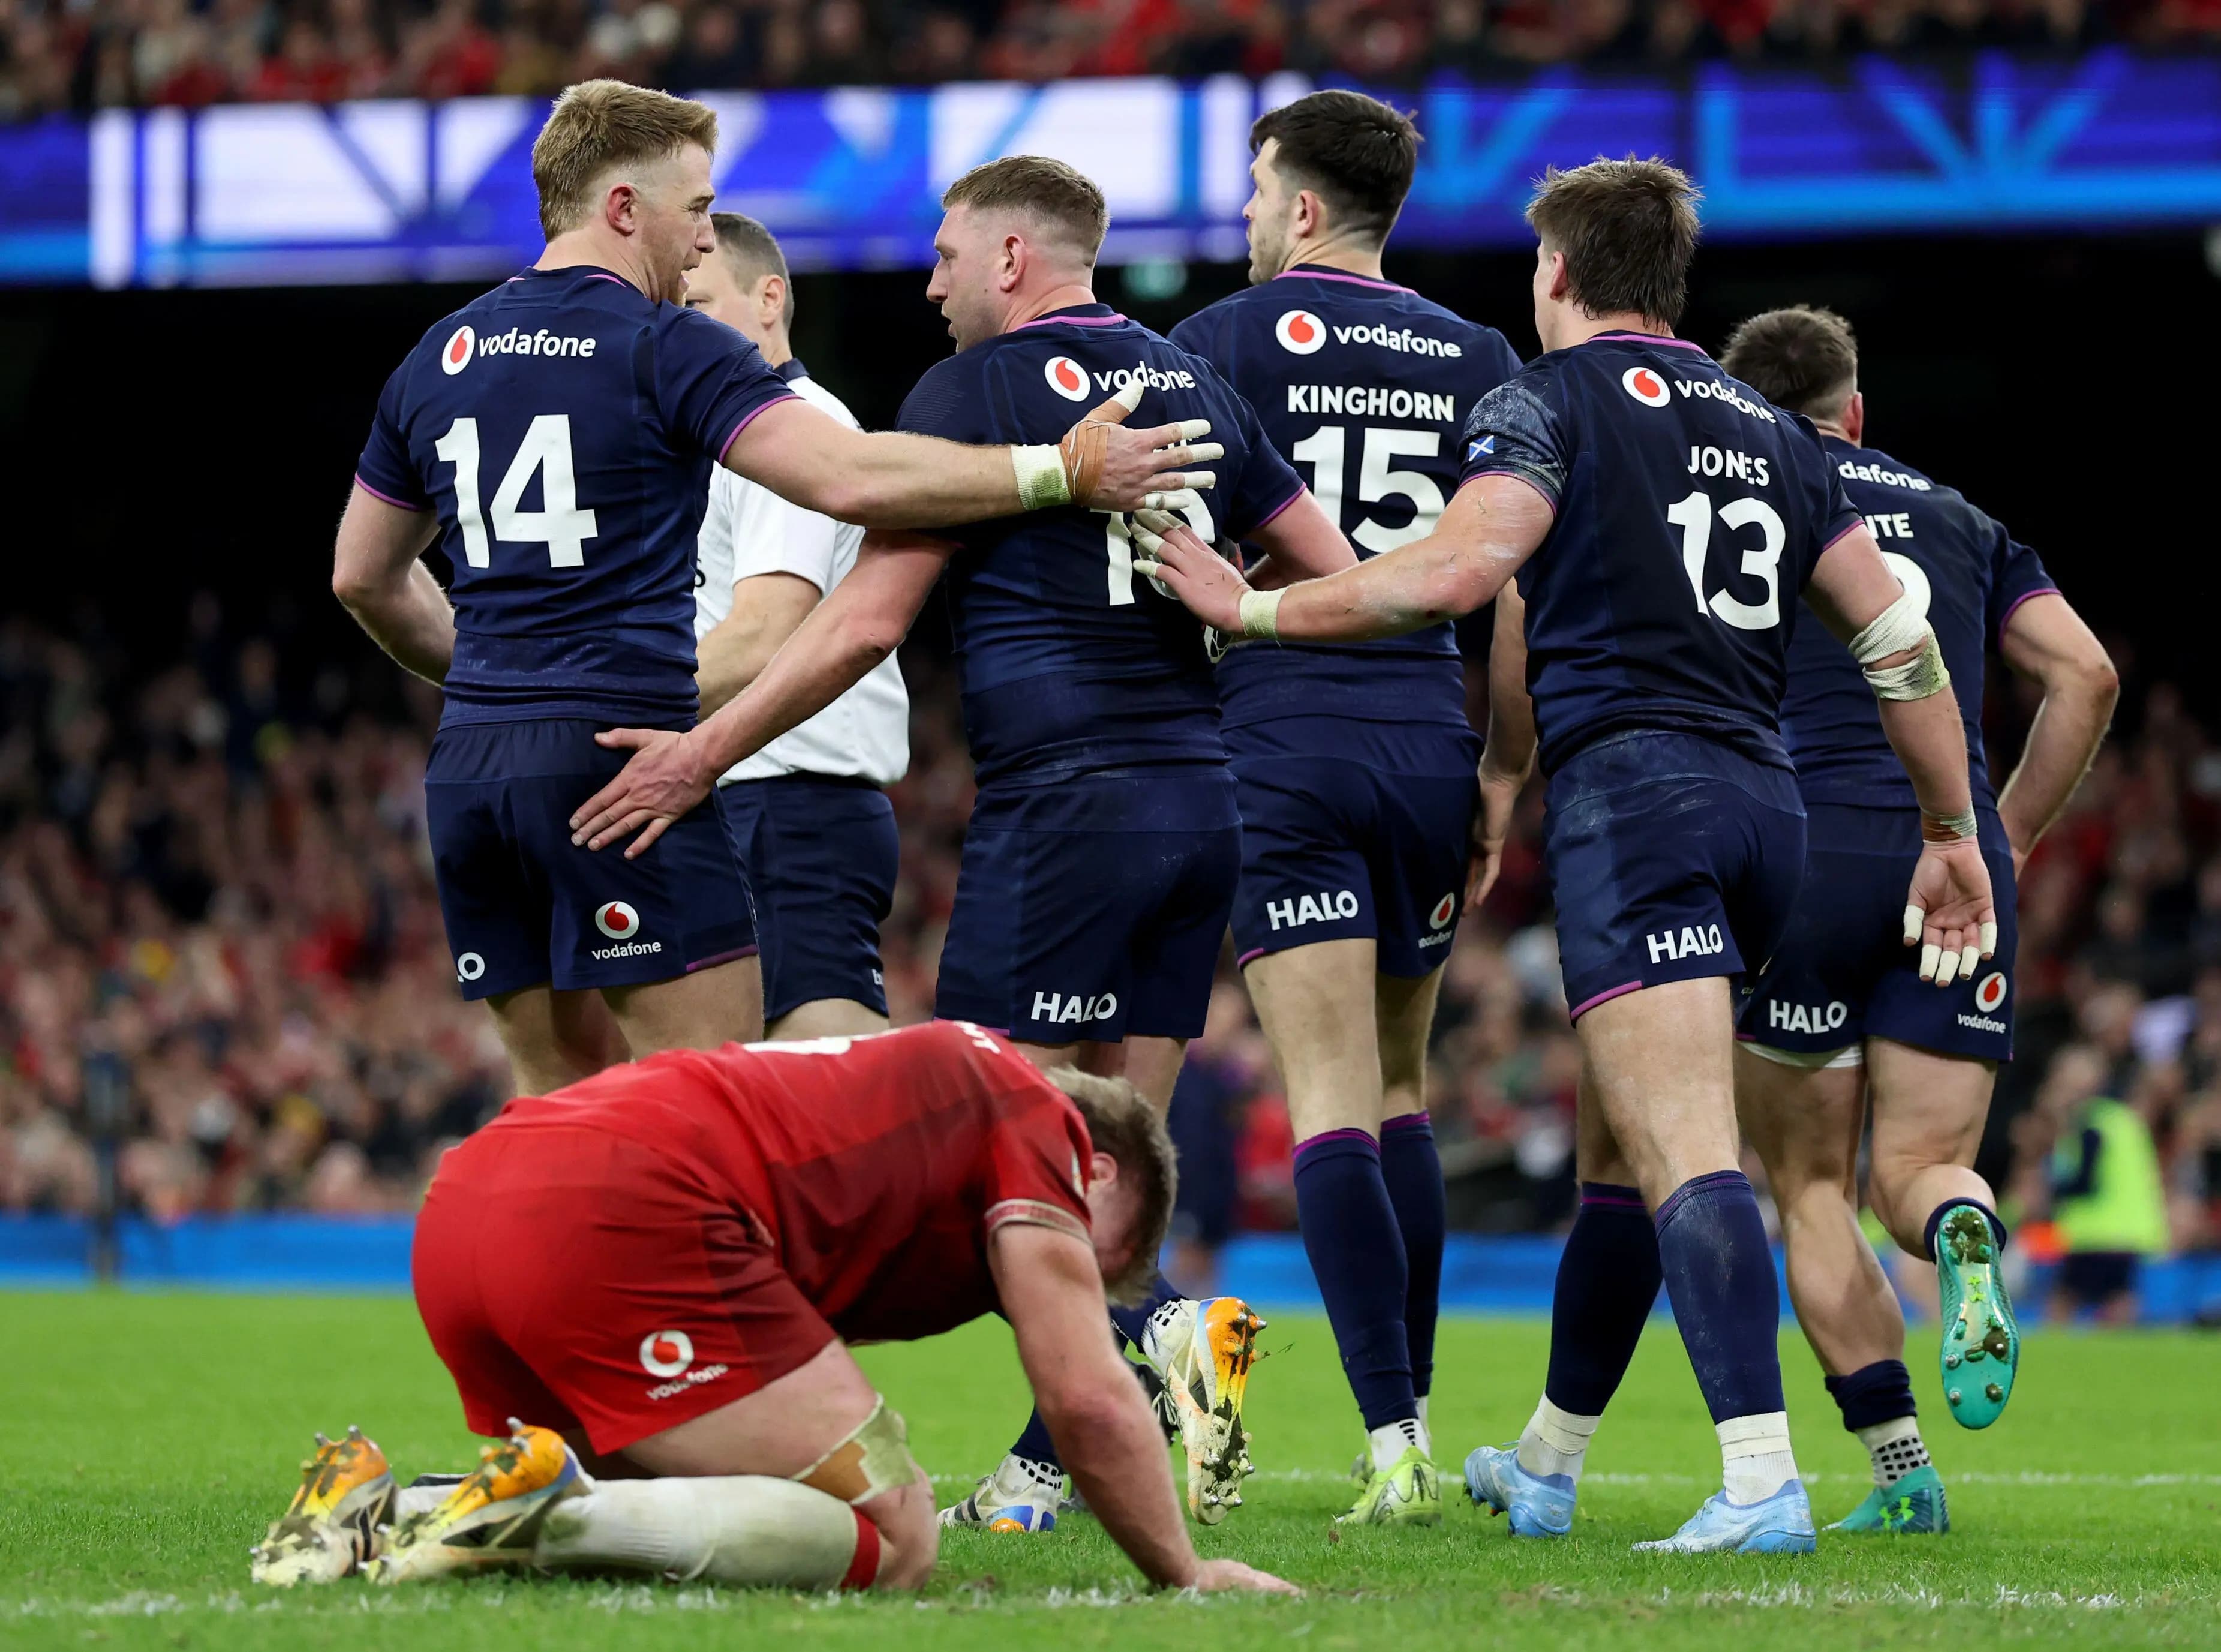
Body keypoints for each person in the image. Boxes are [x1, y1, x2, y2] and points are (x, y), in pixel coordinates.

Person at [1130, 157, 1998, 1554]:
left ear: (1558, 274)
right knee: (1618, 1150)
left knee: (1684, 1147)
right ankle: (1544, 1462)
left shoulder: (1547, 401)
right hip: (1763, 808)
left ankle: (1760, 1479)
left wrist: (1258, 612)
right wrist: (1951, 828)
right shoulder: (1772, 429)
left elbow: (1456, 574)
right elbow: (1895, 637)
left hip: (1636, 804)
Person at [565, 154, 1358, 1530]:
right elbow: (1335, 570)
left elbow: (866, 623)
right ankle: (1112, 1397)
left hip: (1062, 813)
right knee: (1118, 1155)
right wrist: (1238, 611)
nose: (929, 285)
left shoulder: (973, 394)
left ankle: (1116, 1379)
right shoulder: (1195, 383)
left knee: (985, 1162)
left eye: (944, 256)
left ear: (1009, 258)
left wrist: (700, 750)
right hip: (1199, 805)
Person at [332, 81, 1218, 1098]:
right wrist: (1060, 470)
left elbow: (362, 573)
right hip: (621, 756)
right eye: (696, 209)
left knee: (557, 1097)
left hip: (473, 770)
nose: (703, 240)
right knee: (717, 1098)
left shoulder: (438, 356)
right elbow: (849, 476)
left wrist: (495, 680)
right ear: (623, 208)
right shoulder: (662, 343)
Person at [247, 1021, 1297, 1597]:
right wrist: (1186, 1571)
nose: (1069, 1290)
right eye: (1098, 1259)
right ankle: (516, 1517)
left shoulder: (918, 1085)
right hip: (621, 1210)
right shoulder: (1040, 1120)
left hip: (470, 1203)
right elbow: (1088, 1397)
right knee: (897, 1532)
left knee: (681, 1498)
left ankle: (382, 1504)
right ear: (1098, 1169)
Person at [1165, 89, 1522, 1527]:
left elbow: (1167, 554)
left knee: (1324, 1097)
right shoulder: (1481, 356)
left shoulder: (1214, 343)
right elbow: (1514, 589)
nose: (1249, 214)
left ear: (1302, 207)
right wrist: (1500, 767)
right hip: (1427, 732)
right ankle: (1417, 1412)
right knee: (1399, 1088)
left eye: (1259, 191)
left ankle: (1390, 1449)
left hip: (1282, 724)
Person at [1718, 305, 2118, 1531]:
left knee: (1810, 1186)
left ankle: (1902, 1474)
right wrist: (2007, 837)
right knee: (1915, 1173)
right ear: (1855, 410)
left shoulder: (1740, 493)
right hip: (1953, 858)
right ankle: (1958, 1229)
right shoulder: (1959, 516)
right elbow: (2085, 674)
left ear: (1745, 412)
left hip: (1804, 849)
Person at [685, 212, 909, 1040]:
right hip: (745, 792)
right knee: (746, 1079)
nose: (676, 330)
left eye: (697, 305)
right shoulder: (714, 439)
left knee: (820, 1067)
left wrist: (607, 716)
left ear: (769, 300)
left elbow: (763, 632)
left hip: (791, 799)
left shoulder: (793, 427)